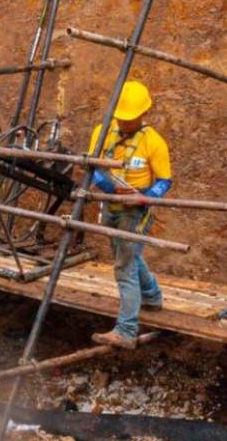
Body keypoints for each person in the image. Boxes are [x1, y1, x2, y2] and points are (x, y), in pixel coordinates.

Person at [87, 80, 172, 350]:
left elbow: (164, 180)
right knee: (128, 256)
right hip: (111, 205)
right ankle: (152, 295)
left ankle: (126, 329)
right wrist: (110, 187)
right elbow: (92, 167)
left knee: (124, 265)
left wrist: (145, 196)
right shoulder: (103, 133)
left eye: (130, 119)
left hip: (137, 212)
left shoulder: (153, 142)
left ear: (143, 115)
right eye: (121, 119)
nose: (124, 124)